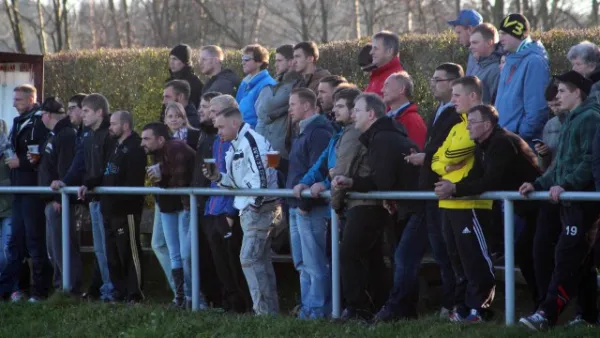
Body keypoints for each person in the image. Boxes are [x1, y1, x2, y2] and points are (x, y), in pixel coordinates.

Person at [434, 104, 542, 309]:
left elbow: (490, 182)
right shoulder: (483, 145)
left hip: (541, 206)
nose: (468, 128)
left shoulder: (502, 142)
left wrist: (455, 189)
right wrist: (453, 186)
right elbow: (476, 176)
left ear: (487, 124)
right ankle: (542, 304)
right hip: (524, 208)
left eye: (472, 123)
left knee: (533, 253)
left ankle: (548, 306)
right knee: (526, 253)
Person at [518, 71, 600, 330]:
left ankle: (547, 314)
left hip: (584, 201)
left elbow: (589, 161)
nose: (558, 95)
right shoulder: (571, 119)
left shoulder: (589, 118)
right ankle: (586, 315)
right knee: (580, 260)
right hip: (571, 202)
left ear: (578, 92)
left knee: (566, 256)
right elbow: (559, 165)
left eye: (563, 90)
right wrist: (538, 183)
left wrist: (567, 184)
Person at [331, 93, 416, 320]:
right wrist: (352, 183)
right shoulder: (382, 135)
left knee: (352, 253)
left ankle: (361, 309)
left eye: (356, 110)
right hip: (395, 206)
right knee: (379, 258)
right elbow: (381, 180)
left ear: (370, 114)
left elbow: (382, 181)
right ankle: (383, 307)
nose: (352, 115)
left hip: (393, 206)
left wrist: (344, 191)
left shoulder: (381, 138)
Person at [202, 107, 280, 315]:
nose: (218, 131)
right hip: (248, 210)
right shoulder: (235, 145)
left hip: (257, 211)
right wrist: (218, 178)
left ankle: (263, 313)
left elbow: (263, 178)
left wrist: (255, 205)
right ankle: (270, 313)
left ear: (235, 123)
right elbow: (237, 185)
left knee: (249, 259)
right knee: (260, 260)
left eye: (221, 126)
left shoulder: (252, 141)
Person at [402, 63, 464, 319]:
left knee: (450, 251)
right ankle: (449, 303)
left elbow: (448, 152)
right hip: (431, 191)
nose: (432, 83)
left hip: (447, 189)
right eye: (433, 78)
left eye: (439, 79)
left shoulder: (458, 114)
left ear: (453, 83)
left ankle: (454, 304)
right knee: (439, 250)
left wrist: (425, 158)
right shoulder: (438, 110)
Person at [430, 76, 494, 322]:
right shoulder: (457, 125)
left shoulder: (475, 125)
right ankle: (462, 307)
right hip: (447, 202)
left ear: (473, 97)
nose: (452, 100)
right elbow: (436, 160)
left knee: (474, 258)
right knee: (456, 259)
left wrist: (444, 160)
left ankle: (480, 308)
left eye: (457, 95)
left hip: (469, 203)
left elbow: (458, 151)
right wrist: (445, 165)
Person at [141, 122, 208, 309]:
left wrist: (162, 181)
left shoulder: (175, 148)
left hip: (185, 207)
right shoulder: (154, 153)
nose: (142, 143)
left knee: (185, 255)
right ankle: (181, 297)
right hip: (168, 206)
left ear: (160, 139)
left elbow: (179, 184)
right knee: (174, 254)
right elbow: (163, 184)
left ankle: (195, 299)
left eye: (146, 139)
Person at [82, 111, 146, 302]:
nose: (110, 127)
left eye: (114, 124)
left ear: (125, 126)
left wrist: (119, 199)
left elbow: (134, 181)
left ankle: (135, 294)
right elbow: (106, 173)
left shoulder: (135, 147)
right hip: (108, 209)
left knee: (129, 252)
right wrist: (89, 183)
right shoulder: (115, 147)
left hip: (126, 210)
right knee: (113, 256)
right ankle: (119, 292)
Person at [285, 88, 334, 319]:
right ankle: (307, 308)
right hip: (296, 206)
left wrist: (305, 206)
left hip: (311, 208)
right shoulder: (302, 132)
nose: (289, 109)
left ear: (306, 106)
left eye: (293, 104)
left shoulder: (319, 132)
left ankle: (319, 311)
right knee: (302, 262)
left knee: (315, 263)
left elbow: (319, 169)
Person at [0, 84, 50, 302]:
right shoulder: (18, 121)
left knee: (34, 242)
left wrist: (22, 163)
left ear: (31, 99)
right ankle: (12, 290)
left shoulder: (39, 121)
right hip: (18, 189)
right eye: (14, 99)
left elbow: (43, 155)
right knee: (15, 243)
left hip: (32, 189)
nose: (14, 103)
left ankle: (40, 291)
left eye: (19, 100)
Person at [201, 94, 250, 313]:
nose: (210, 115)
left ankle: (241, 305)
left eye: (214, 111)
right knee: (218, 261)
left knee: (233, 261)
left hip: (231, 211)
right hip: (213, 208)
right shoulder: (216, 140)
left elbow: (241, 179)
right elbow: (220, 177)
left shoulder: (242, 139)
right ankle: (227, 303)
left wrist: (230, 212)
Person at [37, 97, 82, 296]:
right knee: (53, 248)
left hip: (59, 202)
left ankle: (69, 289)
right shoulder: (55, 134)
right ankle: (60, 287)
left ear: (47, 115)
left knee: (63, 246)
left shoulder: (65, 134)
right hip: (51, 200)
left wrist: (59, 198)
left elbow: (66, 167)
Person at [495, 13, 550, 145]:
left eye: (504, 33)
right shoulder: (509, 60)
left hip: (520, 144)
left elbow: (537, 109)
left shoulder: (534, 62)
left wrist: (519, 134)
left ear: (517, 33)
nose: (500, 38)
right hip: (505, 140)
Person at [255, 58, 305, 172]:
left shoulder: (292, 84)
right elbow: (259, 111)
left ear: (290, 61)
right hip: (266, 144)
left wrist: (266, 90)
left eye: (280, 60)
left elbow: (267, 108)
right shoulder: (274, 83)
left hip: (281, 148)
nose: (276, 64)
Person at [382, 71, 427, 149]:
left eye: (387, 85)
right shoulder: (386, 118)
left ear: (401, 89)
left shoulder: (412, 120)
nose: (382, 90)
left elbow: (416, 153)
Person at [236, 44, 276, 129]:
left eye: (246, 59)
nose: (243, 62)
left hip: (252, 137)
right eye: (242, 59)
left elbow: (263, 119)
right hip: (240, 135)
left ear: (260, 62)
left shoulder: (267, 85)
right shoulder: (244, 83)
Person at [469, 23, 502, 104]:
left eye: (475, 42)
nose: (470, 47)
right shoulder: (478, 65)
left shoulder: (496, 69)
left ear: (489, 43)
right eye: (470, 43)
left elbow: (496, 104)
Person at [365, 31, 404, 97]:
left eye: (376, 48)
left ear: (389, 51)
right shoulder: (378, 74)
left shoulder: (395, 80)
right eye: (372, 48)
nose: (371, 52)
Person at [536, 82, 564, 172]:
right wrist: (542, 154)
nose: (554, 110)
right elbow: (543, 168)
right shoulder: (550, 125)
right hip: (552, 177)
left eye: (557, 105)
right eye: (551, 106)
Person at [447, 9, 484, 76]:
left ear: (470, 29)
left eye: (459, 33)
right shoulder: (473, 53)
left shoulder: (484, 55)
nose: (457, 37)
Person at [167, 44, 204, 108]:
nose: (171, 62)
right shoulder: (171, 81)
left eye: (175, 59)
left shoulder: (194, 83)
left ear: (185, 61)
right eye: (170, 59)